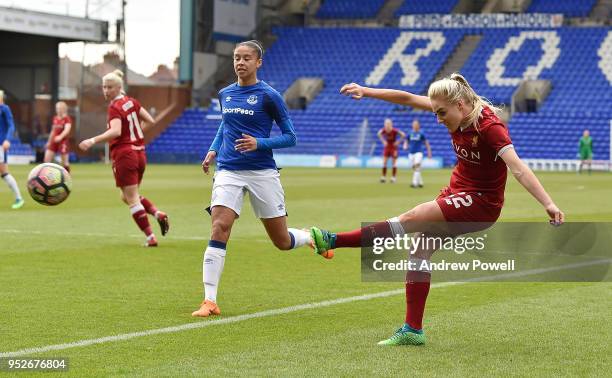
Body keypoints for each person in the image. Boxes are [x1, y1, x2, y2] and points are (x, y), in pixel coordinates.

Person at [310, 73, 564, 346]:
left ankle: (333, 239)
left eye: (442, 113)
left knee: (413, 217)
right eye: (435, 113)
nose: (438, 119)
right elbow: (406, 98)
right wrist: (366, 90)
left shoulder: (490, 127)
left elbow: (519, 169)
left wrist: (548, 203)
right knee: (419, 248)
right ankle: (412, 330)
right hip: (457, 192)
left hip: (481, 203)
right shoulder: (452, 108)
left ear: (461, 105)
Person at [191, 40, 312, 318]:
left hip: (262, 173)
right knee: (220, 226)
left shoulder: (270, 96)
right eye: (236, 58)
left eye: (246, 58)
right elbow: (226, 124)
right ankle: (210, 301)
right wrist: (212, 150)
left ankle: (307, 236)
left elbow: (291, 137)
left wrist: (260, 143)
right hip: (229, 170)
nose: (240, 62)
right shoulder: (226, 94)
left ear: (258, 62)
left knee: (281, 241)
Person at [78, 70, 169, 247]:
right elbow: (150, 120)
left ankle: (150, 237)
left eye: (109, 87)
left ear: (119, 87)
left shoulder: (114, 106)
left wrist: (92, 140)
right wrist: (136, 135)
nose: (106, 90)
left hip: (124, 155)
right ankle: (157, 214)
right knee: (126, 196)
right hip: (140, 153)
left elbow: (116, 131)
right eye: (103, 87)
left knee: (132, 198)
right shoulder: (132, 102)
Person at [0, 90, 24, 209]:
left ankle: (19, 198)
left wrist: (8, 139)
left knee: (4, 173)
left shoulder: (4, 109)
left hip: (0, 145)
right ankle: (19, 198)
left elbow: (11, 125)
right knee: (4, 173)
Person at [403, 119, 432, 188]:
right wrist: (405, 145)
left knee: (416, 166)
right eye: (414, 124)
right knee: (415, 168)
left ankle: (414, 183)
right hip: (411, 153)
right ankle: (420, 182)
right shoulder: (410, 133)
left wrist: (429, 152)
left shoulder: (421, 134)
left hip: (418, 153)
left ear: (418, 126)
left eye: (416, 124)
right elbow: (406, 141)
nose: (415, 126)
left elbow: (426, 143)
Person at [44, 101, 72, 172]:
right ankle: (47, 177)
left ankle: (67, 178)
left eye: (59, 108)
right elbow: (53, 131)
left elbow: (67, 130)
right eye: (57, 108)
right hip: (54, 140)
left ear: (63, 109)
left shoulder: (67, 119)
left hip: (63, 141)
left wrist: (60, 137)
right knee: (46, 159)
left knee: (64, 162)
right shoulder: (55, 118)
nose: (58, 110)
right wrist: (49, 141)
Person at [377, 118, 405, 183]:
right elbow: (378, 134)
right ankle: (383, 177)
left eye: (388, 123)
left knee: (394, 163)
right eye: (386, 124)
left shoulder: (394, 130)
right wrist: (383, 141)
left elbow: (403, 135)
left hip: (393, 147)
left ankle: (393, 177)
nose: (387, 125)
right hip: (387, 147)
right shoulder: (384, 130)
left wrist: (398, 142)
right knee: (384, 162)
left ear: (391, 124)